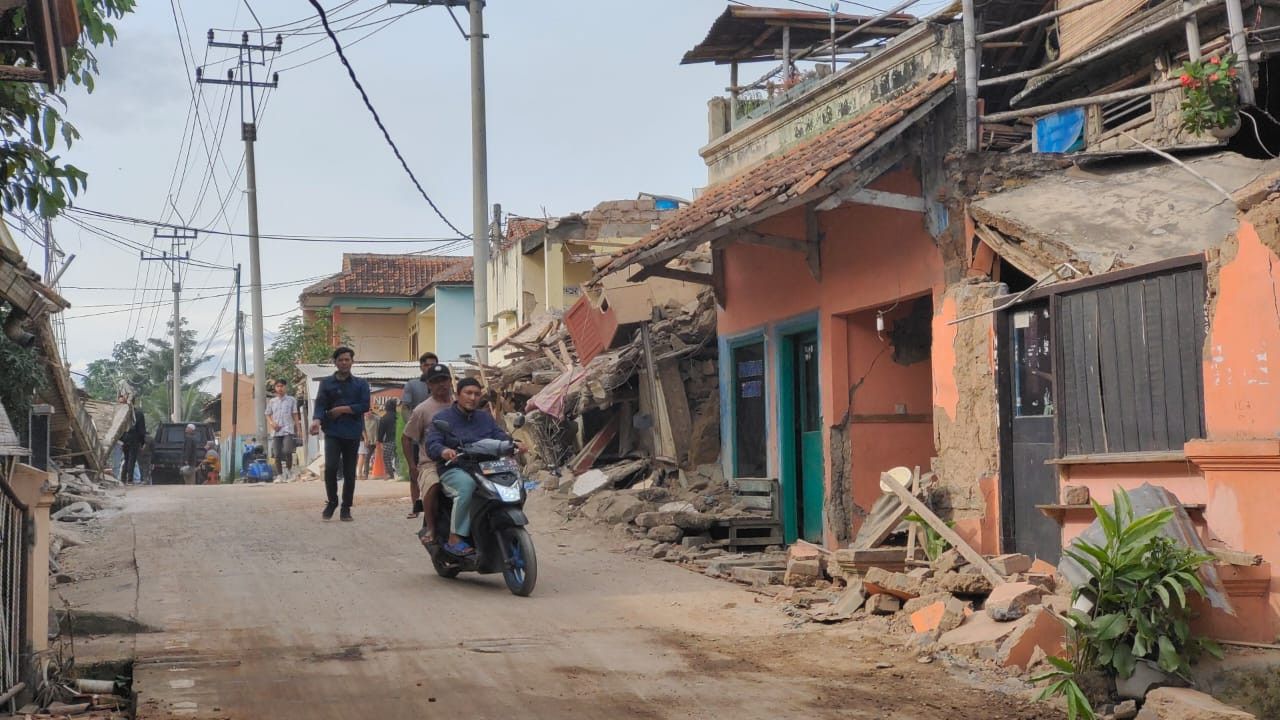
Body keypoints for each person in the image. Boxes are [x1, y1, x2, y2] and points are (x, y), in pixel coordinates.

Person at [426, 378, 517, 557]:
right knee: (466, 486)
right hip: (455, 468)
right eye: (468, 393)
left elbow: (500, 436)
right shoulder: (442, 419)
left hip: (485, 467)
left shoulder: (485, 418)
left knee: (511, 482)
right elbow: (432, 444)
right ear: (457, 395)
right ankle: (454, 538)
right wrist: (444, 450)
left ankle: (503, 524)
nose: (473, 398)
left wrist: (514, 444)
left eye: (476, 394)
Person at [310, 346, 371, 521]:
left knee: (350, 472)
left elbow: (364, 405)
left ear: (352, 362)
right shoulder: (326, 383)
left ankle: (346, 507)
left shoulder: (361, 384)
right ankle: (332, 502)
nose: (344, 362)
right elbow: (321, 404)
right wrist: (316, 420)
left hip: (352, 432)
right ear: (335, 362)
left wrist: (342, 409)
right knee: (330, 468)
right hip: (332, 431)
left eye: (347, 359)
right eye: (340, 360)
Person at [402, 364, 453, 524]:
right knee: (433, 485)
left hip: (461, 460)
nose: (441, 384)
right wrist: (412, 466)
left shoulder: (461, 404)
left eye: (444, 380)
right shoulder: (422, 410)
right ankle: (431, 527)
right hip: (431, 463)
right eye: (436, 381)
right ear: (429, 385)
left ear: (450, 381)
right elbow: (406, 438)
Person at [265, 379, 301, 478]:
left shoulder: (292, 400)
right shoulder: (272, 401)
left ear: (285, 387)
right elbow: (267, 414)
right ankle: (280, 475)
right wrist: (272, 423)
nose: (280, 388)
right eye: (278, 386)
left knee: (288, 451)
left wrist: (298, 429)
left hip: (288, 430)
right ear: (275, 388)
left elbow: (295, 414)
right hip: (276, 432)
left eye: (282, 386)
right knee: (276, 454)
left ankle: (289, 471)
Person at [119, 396, 146, 486]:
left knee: (126, 459)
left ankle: (123, 479)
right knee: (131, 459)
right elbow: (142, 430)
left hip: (125, 438)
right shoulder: (138, 413)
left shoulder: (123, 413)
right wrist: (142, 442)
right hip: (134, 439)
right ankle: (130, 479)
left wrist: (121, 439)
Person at [377, 398, 399, 480]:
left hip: (389, 441)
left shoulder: (384, 418)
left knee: (386, 457)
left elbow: (381, 432)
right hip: (400, 440)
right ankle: (400, 474)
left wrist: (380, 441)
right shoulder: (399, 416)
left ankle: (390, 474)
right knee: (399, 457)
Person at [359, 409, 379, 480]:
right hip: (367, 442)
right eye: (366, 412)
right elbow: (362, 431)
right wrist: (365, 439)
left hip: (375, 441)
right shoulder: (363, 421)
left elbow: (378, 430)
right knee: (366, 458)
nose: (368, 413)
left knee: (374, 457)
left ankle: (382, 473)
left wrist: (378, 440)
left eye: (369, 411)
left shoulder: (376, 419)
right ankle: (365, 474)